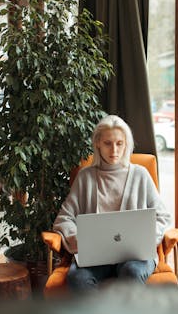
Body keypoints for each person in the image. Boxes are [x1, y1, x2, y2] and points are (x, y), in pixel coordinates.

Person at [53, 115, 171, 291]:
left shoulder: (141, 175)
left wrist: (148, 239)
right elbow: (64, 218)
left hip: (135, 256)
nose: (114, 150)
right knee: (77, 278)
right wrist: (79, 239)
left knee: (131, 272)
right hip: (96, 257)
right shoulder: (85, 176)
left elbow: (163, 217)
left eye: (119, 143)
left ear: (126, 144)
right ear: (98, 144)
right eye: (108, 143)